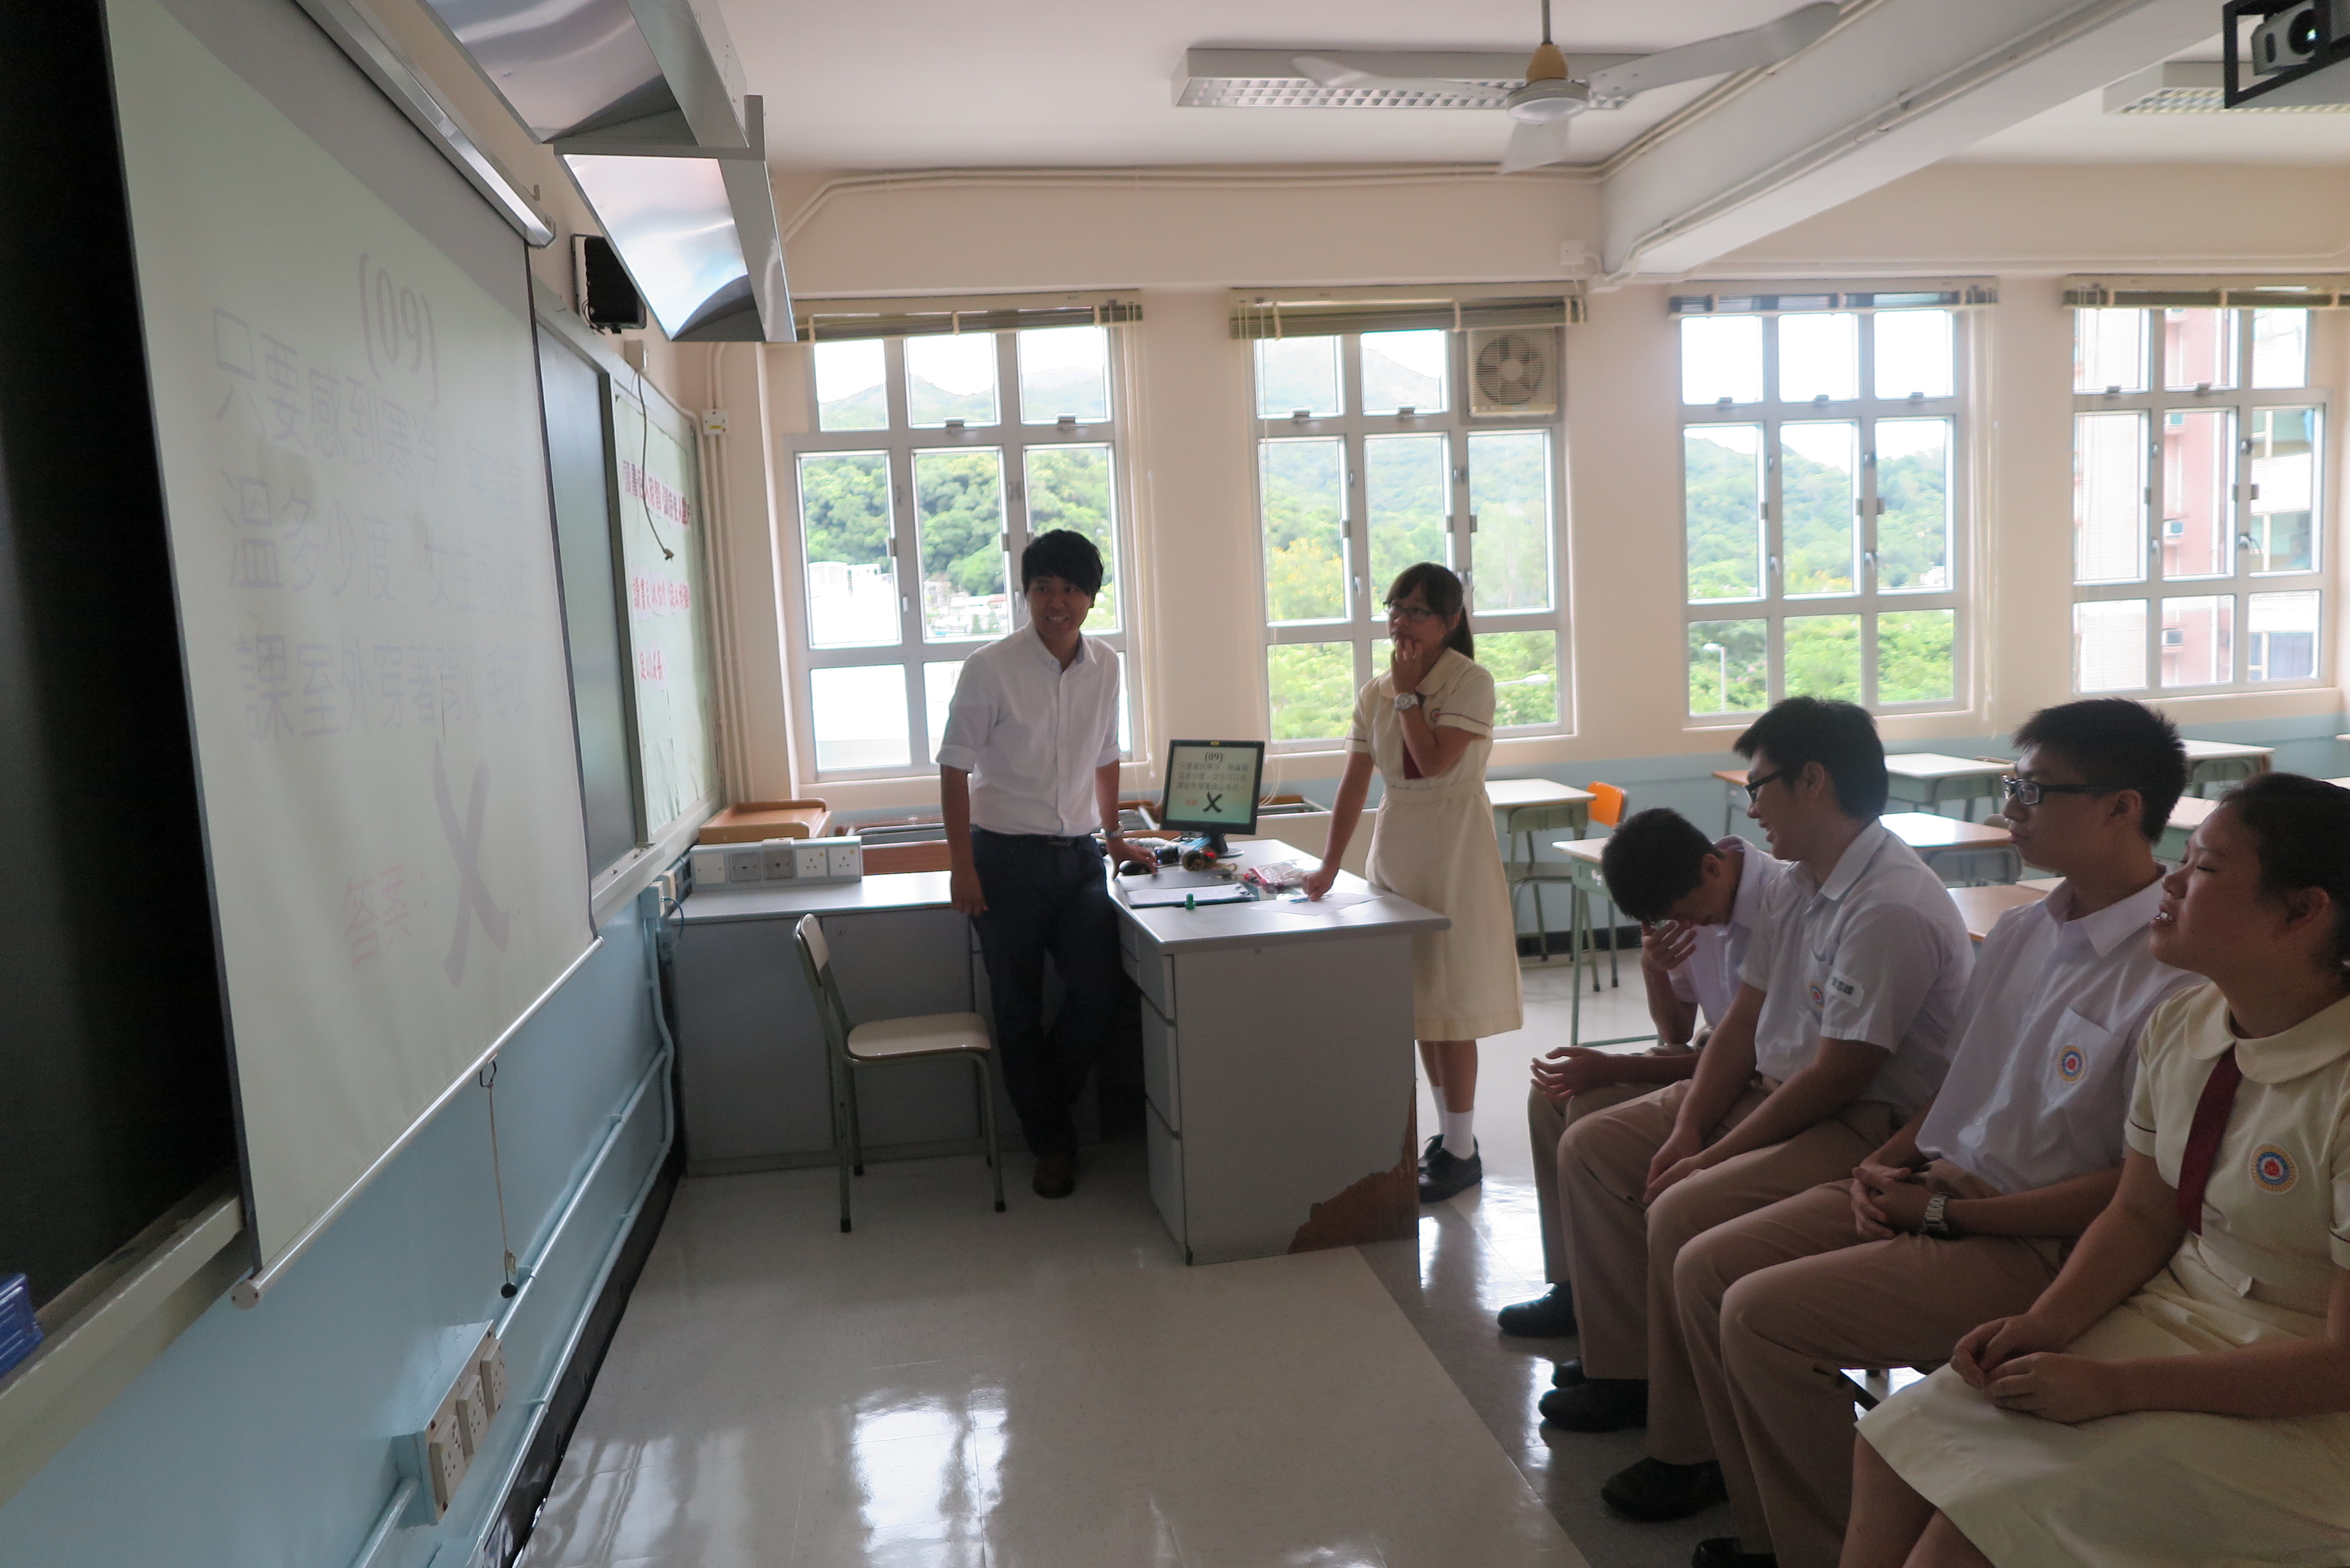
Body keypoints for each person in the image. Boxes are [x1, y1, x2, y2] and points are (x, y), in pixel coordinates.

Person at [1657, 699, 2197, 1568]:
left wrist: (1944, 1214)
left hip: (2036, 1239)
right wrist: (1881, 1168)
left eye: (2034, 790)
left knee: (1760, 1315)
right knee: (1705, 1263)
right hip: (1939, 1186)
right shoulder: (2022, 932)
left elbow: (2136, 1195)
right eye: (2012, 785)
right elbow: (1958, 1088)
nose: (2010, 808)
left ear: (2121, 808)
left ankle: (1824, 1547)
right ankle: (1774, 1529)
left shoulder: (2173, 979)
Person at [1845, 773, 2350, 1568]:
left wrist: (2116, 1388)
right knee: (1894, 1444)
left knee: (1982, 1521)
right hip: (2178, 1316)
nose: (2172, 882)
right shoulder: (2184, 1023)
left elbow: (2340, 1365)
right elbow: (2142, 1215)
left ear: (2301, 911)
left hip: (2307, 1390)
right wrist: (2043, 1325)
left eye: (2205, 868)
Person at [1542, 698, 1971, 1526]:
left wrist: (1712, 1156)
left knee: (1683, 1209)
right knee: (1597, 1147)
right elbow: (1740, 1023)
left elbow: (1841, 1077)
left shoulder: (1888, 903)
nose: (1751, 808)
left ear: (1814, 782)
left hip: (1871, 1125)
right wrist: (1688, 1128)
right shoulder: (1801, 885)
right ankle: (1630, 1373)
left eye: (1760, 786)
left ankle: (1690, 1449)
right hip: (1778, 1092)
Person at [1498, 810, 1790, 1340]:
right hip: (1713, 1055)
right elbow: (1676, 1033)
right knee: (1551, 1099)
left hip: (1757, 1074)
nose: (1689, 926)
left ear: (1711, 867)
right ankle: (1575, 1288)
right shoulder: (1689, 904)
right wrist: (1654, 968)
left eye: (1688, 914)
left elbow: (1747, 1057)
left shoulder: (1778, 902)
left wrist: (1613, 1067)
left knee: (1589, 1125)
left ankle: (1622, 1331)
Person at [937, 530, 1156, 1200]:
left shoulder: (1106, 665)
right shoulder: (989, 668)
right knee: (1016, 1008)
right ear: (1025, 594)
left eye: (1069, 589)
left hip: (1080, 859)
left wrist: (1114, 837)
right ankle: (1053, 1147)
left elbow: (1105, 755)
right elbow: (953, 768)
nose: (1055, 602)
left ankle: (1045, 1109)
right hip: (1003, 863)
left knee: (1098, 993)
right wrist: (961, 865)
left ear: (1090, 597)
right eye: (1041, 589)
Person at [1302, 562, 1522, 1204]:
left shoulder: (1469, 681)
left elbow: (1429, 762)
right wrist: (1328, 863)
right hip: (1397, 851)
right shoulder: (1375, 690)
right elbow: (1353, 785)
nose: (1401, 621)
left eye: (1417, 611)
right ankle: (1448, 1139)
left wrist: (1406, 696)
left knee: (1451, 1007)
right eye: (1395, 608)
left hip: (1453, 850)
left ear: (1451, 621)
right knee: (1420, 1005)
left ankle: (1462, 1149)